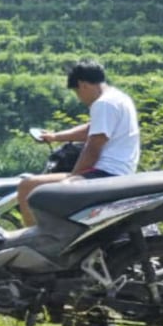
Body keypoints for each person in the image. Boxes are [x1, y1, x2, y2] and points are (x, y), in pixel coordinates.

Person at [17, 59, 141, 226]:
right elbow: (92, 130)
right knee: (35, 186)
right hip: (118, 171)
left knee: (29, 188)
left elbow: (93, 147)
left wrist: (74, 176)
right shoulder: (119, 98)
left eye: (77, 92)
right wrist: (55, 136)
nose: (80, 98)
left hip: (104, 172)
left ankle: (40, 240)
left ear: (83, 85)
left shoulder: (103, 103)